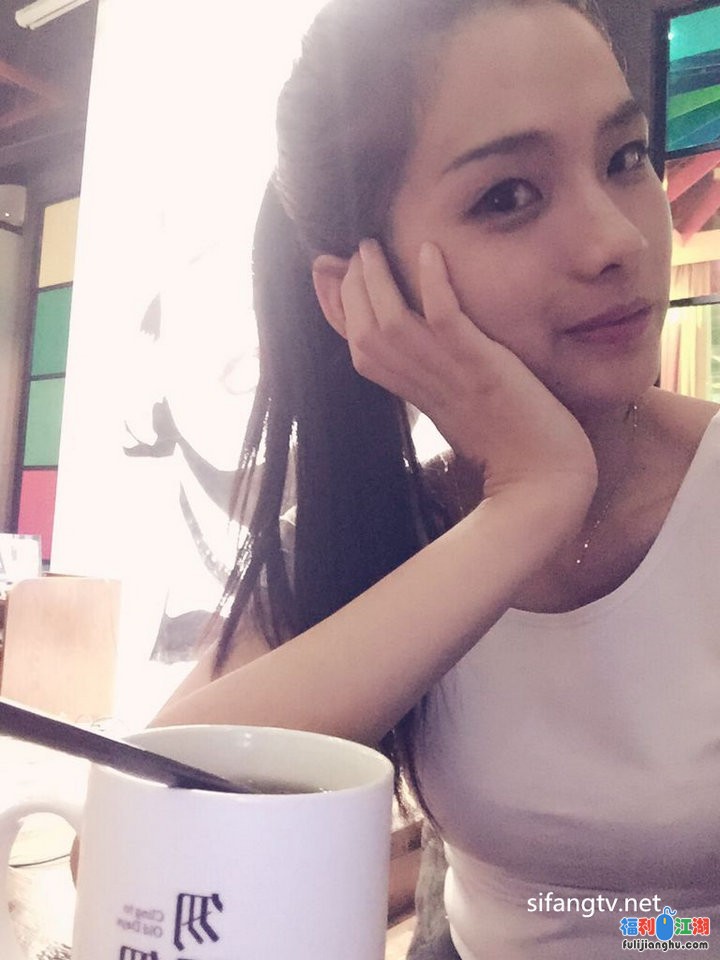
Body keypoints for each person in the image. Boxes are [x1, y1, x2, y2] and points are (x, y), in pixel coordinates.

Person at [153, 0, 720, 956]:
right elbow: (140, 831)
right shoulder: (379, 528)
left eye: (624, 158)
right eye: (509, 195)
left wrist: (654, 936)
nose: (617, 241)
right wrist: (531, 499)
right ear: (361, 296)